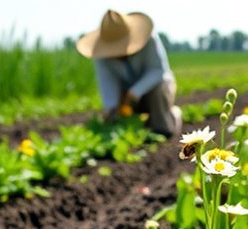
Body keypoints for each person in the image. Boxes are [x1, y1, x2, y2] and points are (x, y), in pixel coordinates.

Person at [76, 10, 181, 138]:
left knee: (159, 91)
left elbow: (158, 71)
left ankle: (166, 124)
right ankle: (138, 127)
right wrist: (112, 108)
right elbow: (107, 82)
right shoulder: (101, 55)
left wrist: (134, 93)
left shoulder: (149, 40)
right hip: (125, 94)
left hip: (155, 90)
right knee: (117, 119)